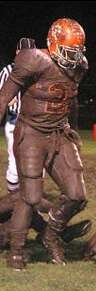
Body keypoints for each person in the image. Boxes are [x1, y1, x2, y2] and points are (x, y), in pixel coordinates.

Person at [0, 18, 88, 270]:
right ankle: (16, 251)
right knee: (30, 196)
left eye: (76, 51)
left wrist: (71, 127)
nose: (72, 57)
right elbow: (4, 97)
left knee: (76, 195)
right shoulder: (33, 59)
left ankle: (50, 235)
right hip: (32, 133)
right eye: (67, 50)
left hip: (59, 133)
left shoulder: (80, 66)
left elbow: (70, 100)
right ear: (52, 43)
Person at [0, 38, 36, 192]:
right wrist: (8, 99)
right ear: (17, 53)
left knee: (35, 164)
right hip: (15, 121)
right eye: (24, 53)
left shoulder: (39, 73)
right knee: (15, 164)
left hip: (34, 123)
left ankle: (29, 201)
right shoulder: (7, 71)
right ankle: (13, 202)